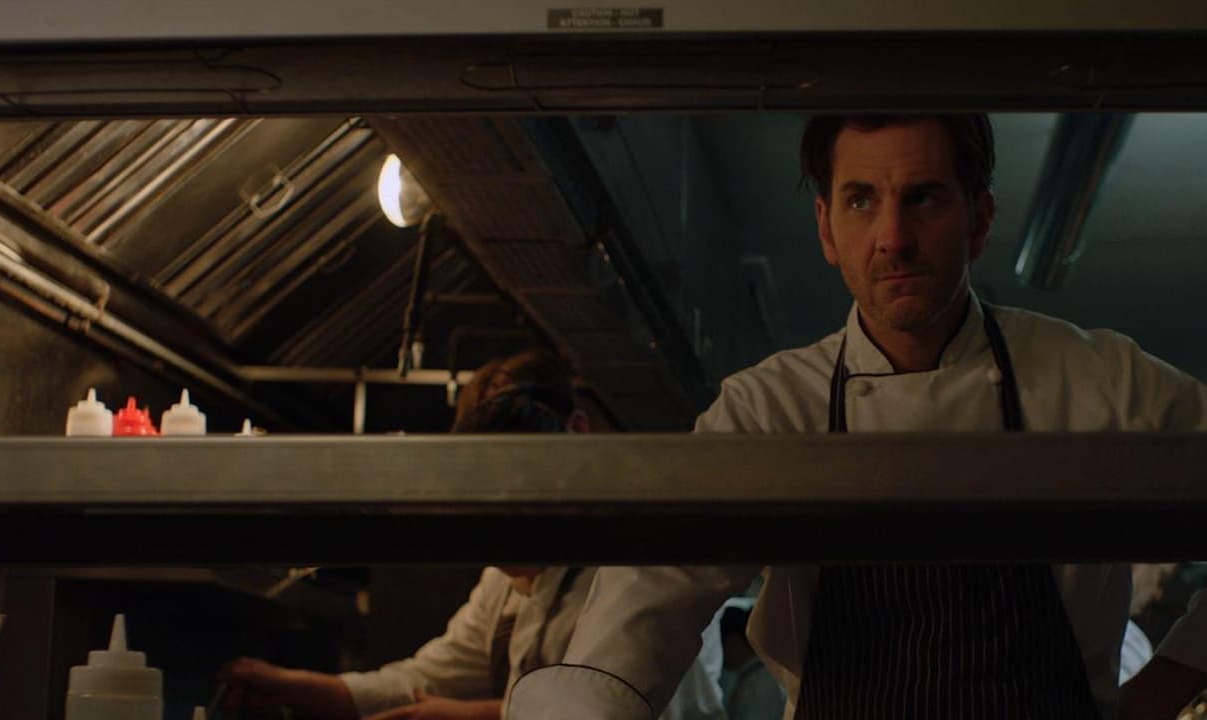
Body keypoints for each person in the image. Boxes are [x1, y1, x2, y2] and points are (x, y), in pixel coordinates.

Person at [506, 115, 1207, 720]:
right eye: (862, 199)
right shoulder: (769, 408)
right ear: (826, 227)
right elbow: (650, 596)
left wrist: (1168, 681)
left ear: (980, 219)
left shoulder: (1100, 378)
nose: (893, 236)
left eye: (923, 197)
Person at [219, 350, 728, 720]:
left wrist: (473, 717)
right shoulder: (503, 583)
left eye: (520, 480)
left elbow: (635, 708)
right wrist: (297, 687)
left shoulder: (641, 556)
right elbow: (424, 680)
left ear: (576, 432)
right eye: (490, 489)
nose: (503, 515)